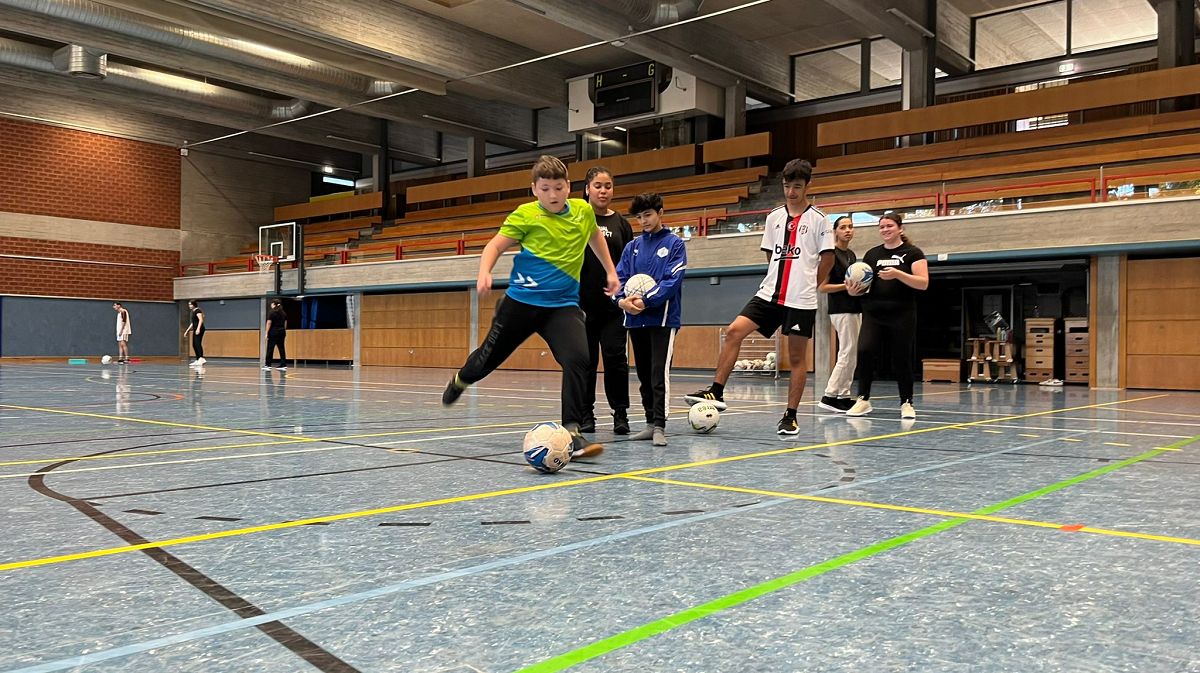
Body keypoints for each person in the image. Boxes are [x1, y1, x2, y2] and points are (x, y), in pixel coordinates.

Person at [441, 155, 620, 460]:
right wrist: (484, 272)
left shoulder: (582, 211)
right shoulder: (525, 215)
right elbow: (495, 245)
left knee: (579, 359)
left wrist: (611, 271)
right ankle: (461, 379)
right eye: (546, 189)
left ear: (568, 187)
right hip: (521, 305)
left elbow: (594, 237)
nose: (553, 195)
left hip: (562, 307)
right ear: (535, 189)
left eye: (559, 188)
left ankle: (572, 431)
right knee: (486, 359)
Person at [684, 159, 834, 435]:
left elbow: (828, 258)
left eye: (797, 187)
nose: (791, 192)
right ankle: (716, 391)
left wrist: (809, 284)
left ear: (807, 186)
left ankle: (790, 416)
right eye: (787, 186)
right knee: (733, 331)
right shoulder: (774, 217)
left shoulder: (820, 220)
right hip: (768, 294)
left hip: (801, 301)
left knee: (797, 358)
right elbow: (769, 254)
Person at [615, 193, 686, 447]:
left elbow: (672, 280)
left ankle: (659, 426)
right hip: (636, 320)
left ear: (660, 213)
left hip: (663, 320)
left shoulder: (675, 244)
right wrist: (622, 301)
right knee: (644, 374)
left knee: (658, 373)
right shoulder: (631, 247)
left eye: (648, 215)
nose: (644, 220)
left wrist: (646, 301)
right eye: (639, 217)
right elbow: (619, 279)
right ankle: (648, 422)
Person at [844, 211, 929, 418]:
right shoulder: (872, 255)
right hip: (873, 313)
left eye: (889, 226)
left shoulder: (913, 253)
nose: (885, 229)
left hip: (902, 314)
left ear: (900, 228)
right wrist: (854, 291)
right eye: (882, 226)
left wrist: (898, 273)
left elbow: (923, 283)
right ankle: (863, 399)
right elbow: (864, 284)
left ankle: (906, 403)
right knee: (864, 351)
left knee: (901, 357)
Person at [579, 166, 634, 435]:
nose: (603, 191)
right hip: (582, 307)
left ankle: (620, 413)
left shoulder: (622, 224)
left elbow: (631, 263)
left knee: (616, 360)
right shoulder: (577, 221)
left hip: (614, 308)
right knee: (586, 362)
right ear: (587, 189)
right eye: (598, 186)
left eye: (608, 186)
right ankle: (585, 414)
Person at [817, 216, 861, 413]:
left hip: (855, 307)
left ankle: (843, 395)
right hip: (841, 309)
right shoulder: (831, 254)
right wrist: (846, 286)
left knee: (852, 353)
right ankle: (829, 395)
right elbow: (822, 287)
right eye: (843, 227)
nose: (848, 230)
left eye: (850, 227)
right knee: (846, 352)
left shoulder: (850, 254)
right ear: (835, 231)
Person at [264, 299, 288, 371]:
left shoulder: (272, 312)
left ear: (274, 304)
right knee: (281, 348)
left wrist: (266, 332)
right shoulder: (283, 313)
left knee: (270, 348)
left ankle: (268, 365)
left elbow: (269, 323)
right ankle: (283, 364)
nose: (271, 305)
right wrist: (283, 330)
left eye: (271, 304)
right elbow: (285, 323)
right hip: (282, 332)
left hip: (273, 332)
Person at [183, 300, 206, 368]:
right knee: (194, 344)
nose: (189, 306)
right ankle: (198, 359)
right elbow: (193, 323)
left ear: (194, 304)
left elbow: (201, 320)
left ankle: (201, 358)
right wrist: (187, 330)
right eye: (189, 304)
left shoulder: (198, 311)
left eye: (190, 304)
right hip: (195, 329)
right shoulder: (193, 312)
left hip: (200, 329)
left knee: (198, 343)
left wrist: (198, 329)